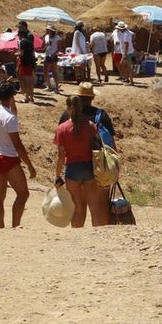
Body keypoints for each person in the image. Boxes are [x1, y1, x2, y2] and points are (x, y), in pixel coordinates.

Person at [0, 80, 36, 228]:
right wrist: (30, 165)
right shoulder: (10, 117)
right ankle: (15, 226)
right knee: (23, 193)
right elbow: (18, 145)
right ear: (12, 96)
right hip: (8, 158)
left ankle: (1, 227)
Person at [53, 95, 108, 228]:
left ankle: (78, 234)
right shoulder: (90, 126)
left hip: (72, 169)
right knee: (94, 205)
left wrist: (57, 175)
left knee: (77, 206)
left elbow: (61, 155)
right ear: (81, 107)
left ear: (68, 108)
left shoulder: (62, 128)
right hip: (89, 168)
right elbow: (98, 146)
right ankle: (98, 233)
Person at [15, 21, 37, 103]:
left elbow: (21, 53)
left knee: (26, 80)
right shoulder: (30, 42)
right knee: (30, 80)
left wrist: (15, 54)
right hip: (30, 62)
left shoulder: (22, 42)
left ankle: (27, 97)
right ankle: (31, 97)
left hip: (25, 62)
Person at [111, 21, 135, 85]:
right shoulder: (127, 33)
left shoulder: (126, 34)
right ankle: (127, 79)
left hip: (127, 52)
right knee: (126, 66)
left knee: (128, 67)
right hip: (127, 51)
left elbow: (126, 44)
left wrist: (124, 54)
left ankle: (131, 81)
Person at [41, 24, 63, 93]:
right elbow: (44, 46)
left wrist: (54, 54)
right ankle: (49, 86)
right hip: (47, 55)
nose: (46, 31)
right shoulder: (46, 37)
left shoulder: (57, 38)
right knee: (45, 72)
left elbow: (59, 48)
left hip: (53, 56)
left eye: (48, 30)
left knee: (54, 72)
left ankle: (56, 88)